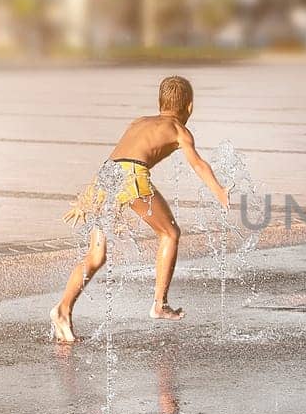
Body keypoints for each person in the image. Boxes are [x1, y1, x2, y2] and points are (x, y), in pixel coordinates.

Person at [52, 75, 229, 343]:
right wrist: (221, 192)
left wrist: (90, 195)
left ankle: (63, 309)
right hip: (130, 176)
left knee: (96, 255)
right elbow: (199, 165)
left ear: (160, 103)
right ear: (189, 107)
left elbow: (118, 158)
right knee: (170, 233)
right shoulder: (180, 130)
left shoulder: (138, 122)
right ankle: (160, 303)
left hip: (104, 176)